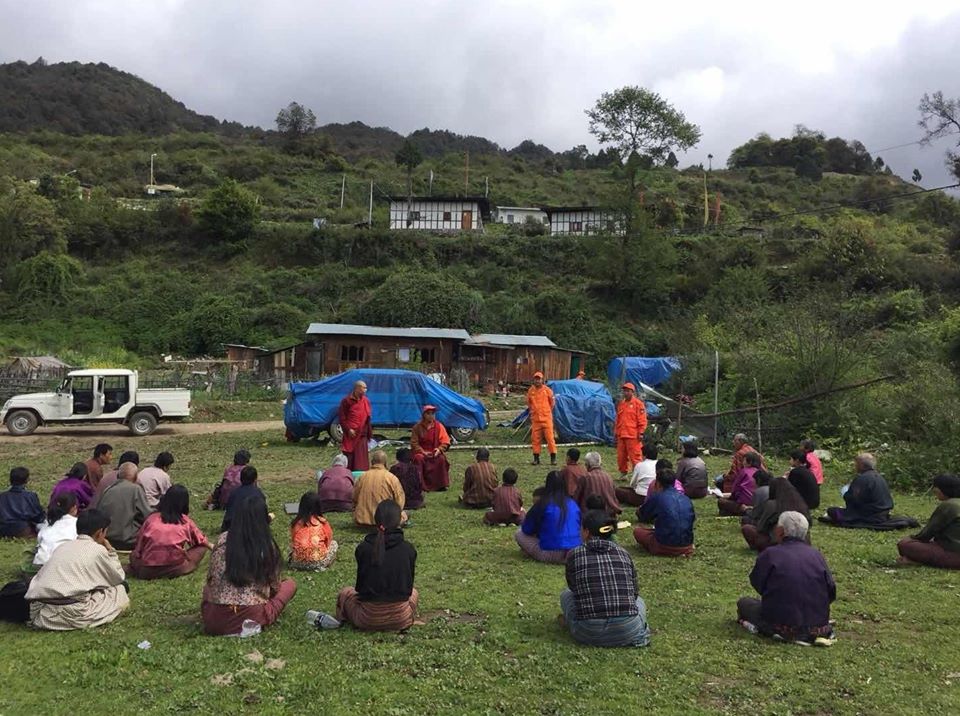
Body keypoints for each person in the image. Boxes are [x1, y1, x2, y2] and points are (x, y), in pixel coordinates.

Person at [201, 495, 297, 636]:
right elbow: (275, 587)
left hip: (214, 620)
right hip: (251, 615)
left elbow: (211, 579)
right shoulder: (265, 545)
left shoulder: (222, 539)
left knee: (206, 590)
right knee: (290, 584)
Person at [736, 512, 836, 646]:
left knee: (744, 603)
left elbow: (758, 583)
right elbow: (831, 590)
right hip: (817, 624)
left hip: (780, 621)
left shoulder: (771, 554)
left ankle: (783, 632)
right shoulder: (816, 555)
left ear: (780, 531)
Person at [25, 509, 130, 631]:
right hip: (72, 613)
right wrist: (110, 551)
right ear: (100, 532)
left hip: (41, 612)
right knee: (119, 590)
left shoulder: (62, 547)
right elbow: (117, 577)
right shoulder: (97, 549)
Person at [560, 509, 650, 647]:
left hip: (588, 631)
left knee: (566, 595)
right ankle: (635, 633)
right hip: (628, 629)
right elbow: (634, 593)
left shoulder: (575, 554)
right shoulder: (623, 553)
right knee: (640, 602)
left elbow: (574, 588)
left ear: (586, 531)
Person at [331, 499, 419, 631]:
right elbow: (407, 589)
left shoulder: (363, 549)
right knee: (414, 593)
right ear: (399, 521)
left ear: (376, 519)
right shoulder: (408, 549)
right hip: (401, 618)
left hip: (367, 618)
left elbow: (360, 589)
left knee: (345, 593)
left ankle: (340, 620)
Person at [129, 484, 211, 579]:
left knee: (133, 556)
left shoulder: (151, 519)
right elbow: (202, 542)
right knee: (201, 548)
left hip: (147, 571)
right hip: (176, 568)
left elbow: (139, 547)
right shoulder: (185, 521)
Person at [516, 471, 582, 563]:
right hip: (574, 553)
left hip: (550, 553)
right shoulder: (573, 504)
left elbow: (527, 529)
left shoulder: (543, 503)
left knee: (519, 534)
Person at [897, 474, 960, 569]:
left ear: (940, 489)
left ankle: (917, 561)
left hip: (954, 555)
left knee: (905, 544)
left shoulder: (949, 505)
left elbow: (925, 535)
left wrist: (912, 539)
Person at [634, 469, 696, 557]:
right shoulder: (686, 498)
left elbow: (643, 515)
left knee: (637, 531)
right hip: (687, 545)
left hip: (664, 545)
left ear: (658, 483)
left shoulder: (657, 497)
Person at [823, 453, 895, 528]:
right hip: (883, 513)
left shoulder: (862, 479)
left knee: (832, 511)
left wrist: (845, 493)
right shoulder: (879, 477)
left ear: (861, 465)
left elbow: (853, 500)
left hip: (870, 515)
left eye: (856, 464)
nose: (855, 467)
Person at [94, 462, 152, 551]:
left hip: (107, 538)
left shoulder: (108, 490)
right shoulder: (135, 489)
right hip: (127, 539)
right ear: (136, 477)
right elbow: (147, 515)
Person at [742, 478, 811, 552]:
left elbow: (761, 528)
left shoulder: (772, 504)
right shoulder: (801, 504)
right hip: (802, 542)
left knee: (747, 528)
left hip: (779, 543)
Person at [353, 450, 407, 528]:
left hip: (361, 521)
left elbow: (354, 498)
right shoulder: (391, 478)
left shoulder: (362, 477)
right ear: (385, 463)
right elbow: (400, 502)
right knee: (405, 514)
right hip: (385, 522)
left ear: (372, 462)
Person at [288, 492, 338, 571]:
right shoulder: (323, 522)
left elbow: (294, 540)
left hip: (297, 563)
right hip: (318, 563)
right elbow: (328, 541)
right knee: (334, 544)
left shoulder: (296, 523)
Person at [31, 493, 78, 571]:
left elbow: (39, 540)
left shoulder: (49, 522)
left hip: (40, 563)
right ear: (74, 508)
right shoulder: (77, 523)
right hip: (60, 565)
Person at [410, 405, 451, 492]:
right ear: (424, 415)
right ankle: (421, 485)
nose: (431, 416)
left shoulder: (439, 426)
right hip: (421, 452)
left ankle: (440, 485)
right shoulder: (417, 427)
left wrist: (439, 449)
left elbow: (445, 441)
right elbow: (414, 443)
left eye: (433, 414)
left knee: (441, 459)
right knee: (418, 459)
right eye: (428, 414)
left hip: (434, 452)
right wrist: (422, 451)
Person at [0, 467, 45, 538]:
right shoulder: (30, 496)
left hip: (3, 530)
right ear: (26, 480)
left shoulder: (2, 496)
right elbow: (38, 516)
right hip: (22, 529)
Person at [614, 382, 647, 478]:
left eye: (628, 391)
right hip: (622, 434)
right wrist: (616, 432)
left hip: (633, 435)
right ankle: (623, 473)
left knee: (635, 456)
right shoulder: (622, 404)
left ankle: (638, 474)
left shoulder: (638, 404)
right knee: (621, 456)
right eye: (624, 391)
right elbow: (618, 419)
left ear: (632, 392)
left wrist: (641, 433)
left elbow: (642, 419)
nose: (625, 393)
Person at [339, 380, 372, 471]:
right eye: (364, 388)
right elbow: (342, 418)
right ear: (357, 388)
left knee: (361, 459)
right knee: (350, 456)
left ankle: (361, 475)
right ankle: (348, 474)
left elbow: (367, 417)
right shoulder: (346, 401)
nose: (366, 390)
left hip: (362, 434)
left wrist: (368, 432)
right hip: (351, 434)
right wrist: (348, 429)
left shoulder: (366, 401)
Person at [221, 465, 266, 531]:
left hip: (230, 527)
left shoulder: (233, 493)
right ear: (255, 480)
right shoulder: (258, 494)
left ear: (241, 479)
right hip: (250, 529)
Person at [716, 451, 760, 516]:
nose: (742, 463)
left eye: (744, 461)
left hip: (744, 504)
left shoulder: (744, 471)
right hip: (758, 504)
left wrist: (731, 498)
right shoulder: (760, 472)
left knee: (721, 501)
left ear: (749, 462)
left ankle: (740, 511)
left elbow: (735, 488)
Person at [527, 371, 557, 466]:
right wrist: (534, 411)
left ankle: (553, 459)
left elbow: (552, 403)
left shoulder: (548, 390)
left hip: (546, 419)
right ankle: (536, 459)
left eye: (539, 379)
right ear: (534, 380)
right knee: (535, 439)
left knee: (550, 439)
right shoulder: (530, 391)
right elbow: (529, 403)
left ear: (542, 380)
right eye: (536, 379)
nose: (537, 381)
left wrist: (546, 411)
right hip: (536, 419)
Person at [615, 443, 658, 508]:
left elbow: (632, 484)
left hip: (640, 497)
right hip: (656, 496)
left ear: (645, 455)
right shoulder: (660, 464)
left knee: (617, 490)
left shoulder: (640, 465)